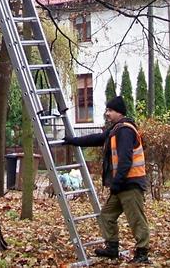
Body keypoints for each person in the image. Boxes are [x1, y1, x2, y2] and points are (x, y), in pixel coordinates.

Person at [63, 95, 151, 263]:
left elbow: (125, 160)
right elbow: (97, 138)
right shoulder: (116, 130)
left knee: (136, 220)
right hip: (121, 185)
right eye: (107, 110)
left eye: (110, 110)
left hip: (130, 184)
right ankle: (112, 248)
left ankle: (142, 253)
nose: (107, 113)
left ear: (119, 112)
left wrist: (116, 183)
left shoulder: (125, 131)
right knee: (106, 216)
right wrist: (74, 141)